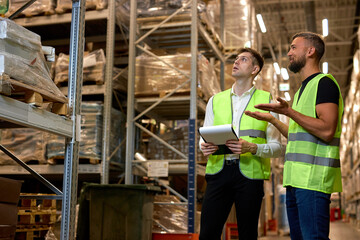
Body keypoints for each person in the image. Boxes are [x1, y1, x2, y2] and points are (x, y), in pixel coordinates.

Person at [245, 32, 343, 240]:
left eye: (293, 48)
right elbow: (297, 134)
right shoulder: (300, 92)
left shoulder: (324, 84)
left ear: (310, 51)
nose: (289, 53)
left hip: (313, 180)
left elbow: (326, 130)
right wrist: (273, 119)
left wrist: (289, 112)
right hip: (295, 181)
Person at [199, 48, 283, 240]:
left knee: (247, 234)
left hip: (249, 175)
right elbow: (204, 137)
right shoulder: (215, 100)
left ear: (254, 69)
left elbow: (277, 148)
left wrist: (252, 148)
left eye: (243, 59)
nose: (236, 62)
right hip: (218, 173)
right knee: (208, 234)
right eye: (236, 59)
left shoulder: (266, 101)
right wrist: (204, 146)